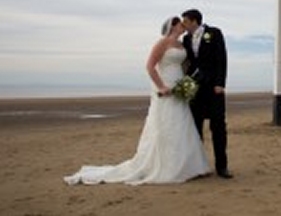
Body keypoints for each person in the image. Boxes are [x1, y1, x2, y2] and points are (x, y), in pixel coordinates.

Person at [63, 16, 211, 185]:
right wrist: (161, 87)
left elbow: (184, 65)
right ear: (173, 26)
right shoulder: (162, 43)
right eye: (180, 24)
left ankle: (188, 167)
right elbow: (150, 66)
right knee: (167, 124)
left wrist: (185, 83)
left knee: (182, 124)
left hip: (178, 86)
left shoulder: (182, 44)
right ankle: (168, 167)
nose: (183, 26)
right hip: (166, 87)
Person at [181, 9, 232, 179]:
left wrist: (220, 83)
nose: (184, 25)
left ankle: (222, 167)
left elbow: (221, 59)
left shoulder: (214, 33)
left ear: (194, 21)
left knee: (218, 127)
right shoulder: (186, 39)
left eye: (185, 22)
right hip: (194, 89)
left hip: (213, 88)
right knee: (195, 128)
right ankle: (199, 167)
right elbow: (187, 63)